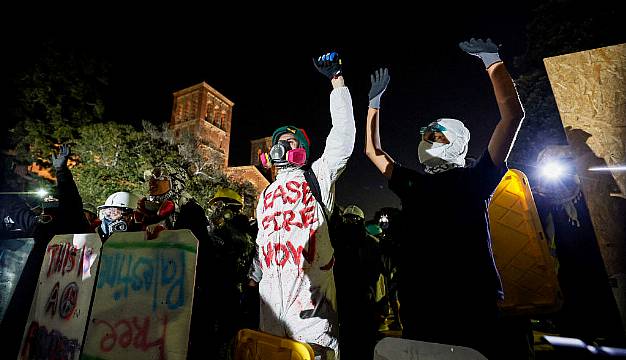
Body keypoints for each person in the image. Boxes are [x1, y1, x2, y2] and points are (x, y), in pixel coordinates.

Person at [364, 38, 525, 358]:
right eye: (427, 134)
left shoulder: (470, 178)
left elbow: (512, 117)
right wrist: (374, 103)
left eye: (434, 134)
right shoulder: (432, 183)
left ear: (456, 143)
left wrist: (494, 63)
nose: (427, 137)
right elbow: (373, 151)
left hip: (459, 309)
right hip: (436, 309)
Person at [254, 51, 355, 359]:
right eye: (278, 141)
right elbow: (262, 237)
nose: (281, 144)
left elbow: (343, 136)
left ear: (302, 150)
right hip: (270, 303)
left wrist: (337, 83)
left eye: (290, 140)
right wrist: (255, 269)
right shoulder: (265, 194)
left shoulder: (318, 176)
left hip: (311, 302)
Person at [332, 204, 383, 360]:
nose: (351, 223)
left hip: (362, 296)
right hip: (344, 295)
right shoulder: (335, 241)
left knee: (363, 336)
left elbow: (375, 271)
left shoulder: (371, 243)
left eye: (354, 219)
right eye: (348, 219)